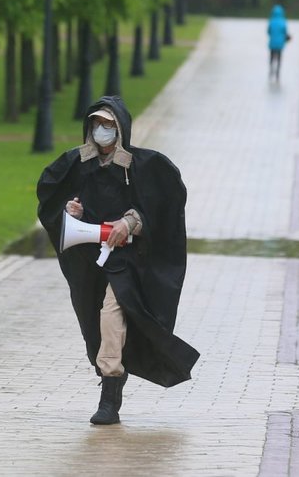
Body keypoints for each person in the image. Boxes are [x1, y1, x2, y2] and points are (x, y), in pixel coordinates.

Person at [36, 95, 200, 425]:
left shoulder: (144, 166)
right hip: (90, 260)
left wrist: (131, 221)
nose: (102, 130)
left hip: (129, 263)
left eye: (108, 124)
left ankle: (109, 397)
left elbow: (163, 204)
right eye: (97, 123)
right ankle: (112, 374)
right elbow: (52, 198)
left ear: (120, 128)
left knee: (111, 316)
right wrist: (71, 211)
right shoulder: (75, 164)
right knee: (93, 324)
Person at [267, 4, 289, 80]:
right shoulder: (283, 22)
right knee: (279, 57)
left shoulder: (271, 21)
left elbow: (268, 32)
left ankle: (271, 69)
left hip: (272, 43)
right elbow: (285, 32)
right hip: (280, 44)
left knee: (272, 57)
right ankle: (278, 72)